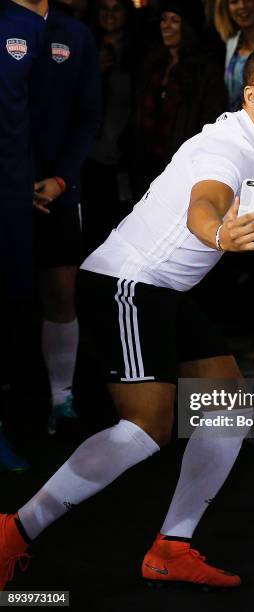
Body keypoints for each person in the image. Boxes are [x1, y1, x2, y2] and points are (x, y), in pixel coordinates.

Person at [0, 44, 254, 590]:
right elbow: (203, 204)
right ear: (251, 98)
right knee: (147, 428)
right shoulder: (226, 147)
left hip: (167, 291)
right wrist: (219, 234)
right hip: (125, 284)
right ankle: (14, 532)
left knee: (229, 408)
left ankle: (172, 546)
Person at [25, 0, 101, 434]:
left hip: (56, 187)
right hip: (7, 186)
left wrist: (60, 177)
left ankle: (62, 399)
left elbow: (88, 115)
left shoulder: (75, 34)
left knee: (60, 290)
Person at [0, 0, 47, 470]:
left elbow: (43, 116)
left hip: (12, 201)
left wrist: (47, 177)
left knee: (12, 315)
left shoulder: (27, 28)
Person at [130, 0, 227, 197]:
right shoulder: (154, 63)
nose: (166, 25)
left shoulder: (205, 71)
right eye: (164, 19)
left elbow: (209, 122)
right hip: (145, 166)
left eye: (174, 20)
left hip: (180, 171)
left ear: (188, 26)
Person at [80, 0, 137, 254]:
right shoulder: (86, 45)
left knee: (124, 220)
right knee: (93, 222)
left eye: (116, 9)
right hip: (90, 151)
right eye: (104, 8)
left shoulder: (140, 50)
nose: (109, 15)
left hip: (127, 152)